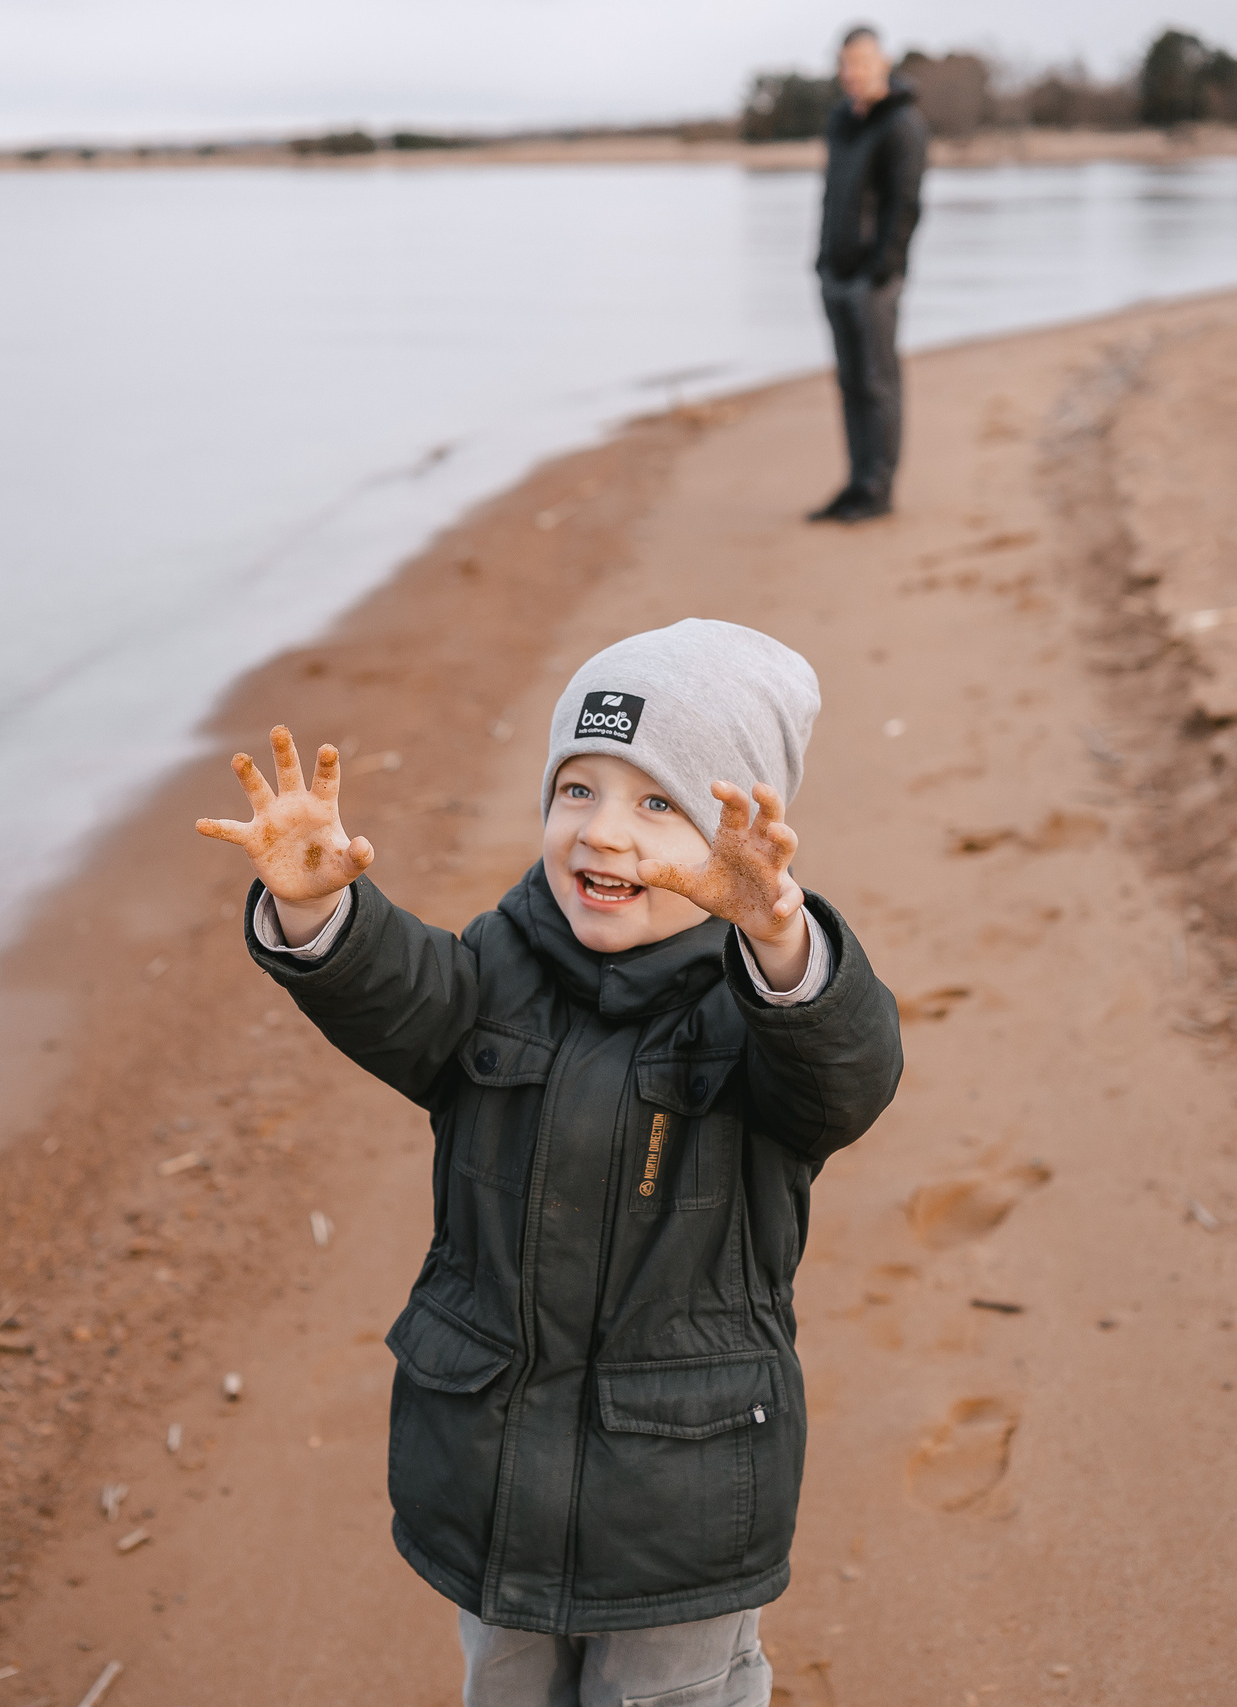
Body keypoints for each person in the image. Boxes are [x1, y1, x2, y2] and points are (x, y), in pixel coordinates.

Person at [195, 620, 904, 1707]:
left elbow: (847, 1075)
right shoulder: (498, 964)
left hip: (682, 1491)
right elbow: (399, 992)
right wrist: (315, 906)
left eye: (657, 803)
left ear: (737, 840)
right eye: (578, 789)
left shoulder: (756, 1010)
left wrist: (778, 937)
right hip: (494, 1466)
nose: (602, 832)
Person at [809, 24, 929, 525]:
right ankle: (857, 480)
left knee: (877, 382)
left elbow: (905, 206)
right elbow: (833, 196)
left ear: (882, 63)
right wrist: (822, 262)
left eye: (860, 62)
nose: (851, 73)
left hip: (873, 281)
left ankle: (879, 488)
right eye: (845, 64)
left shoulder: (902, 122)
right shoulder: (841, 121)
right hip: (835, 273)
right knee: (850, 383)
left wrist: (881, 270)